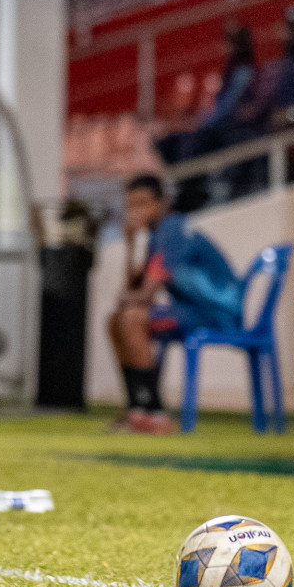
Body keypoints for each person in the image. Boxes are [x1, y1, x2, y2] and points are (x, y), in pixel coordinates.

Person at [108, 174, 242, 434]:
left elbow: (144, 295)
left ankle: (156, 413)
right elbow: (132, 290)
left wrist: (129, 300)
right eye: (131, 205)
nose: (136, 211)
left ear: (161, 203)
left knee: (133, 317)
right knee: (116, 320)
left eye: (142, 203)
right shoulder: (156, 237)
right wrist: (129, 243)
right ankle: (137, 407)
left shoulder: (173, 229)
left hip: (214, 314)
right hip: (189, 312)